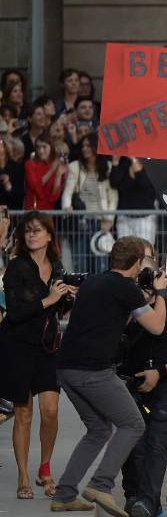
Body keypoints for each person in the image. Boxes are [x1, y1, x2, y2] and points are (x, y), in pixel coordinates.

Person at [51, 237, 167, 516]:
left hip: (66, 369)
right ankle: (101, 484)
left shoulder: (94, 282)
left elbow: (115, 319)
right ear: (138, 264)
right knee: (133, 424)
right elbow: (157, 327)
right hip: (93, 371)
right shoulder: (126, 288)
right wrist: (161, 293)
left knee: (99, 429)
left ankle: (65, 494)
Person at [0, 212, 73, 501]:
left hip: (48, 346)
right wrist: (50, 299)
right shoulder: (16, 267)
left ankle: (45, 466)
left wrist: (68, 297)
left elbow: (58, 310)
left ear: (49, 235)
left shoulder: (56, 265)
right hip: (17, 345)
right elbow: (15, 312)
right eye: (27, 231)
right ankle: (22, 475)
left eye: (37, 230)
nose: (31, 235)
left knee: (51, 409)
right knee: (24, 412)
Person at [119, 240, 167, 517]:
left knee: (157, 442)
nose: (142, 268)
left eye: (146, 261)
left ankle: (148, 502)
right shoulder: (123, 300)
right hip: (130, 381)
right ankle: (134, 494)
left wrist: (159, 373)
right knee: (132, 443)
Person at [61, 134, 116, 273]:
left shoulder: (107, 167)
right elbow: (68, 191)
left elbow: (113, 196)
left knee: (101, 264)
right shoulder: (75, 166)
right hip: (81, 222)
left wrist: (109, 220)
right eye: (83, 146)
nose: (85, 149)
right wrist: (67, 207)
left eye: (88, 146)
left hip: (101, 222)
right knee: (81, 264)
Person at [23, 137, 66, 209]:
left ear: (51, 147)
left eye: (44, 147)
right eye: (38, 147)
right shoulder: (30, 164)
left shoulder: (56, 165)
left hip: (48, 211)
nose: (41, 151)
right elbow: (35, 187)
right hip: (32, 211)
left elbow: (54, 197)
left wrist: (58, 174)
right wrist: (52, 170)